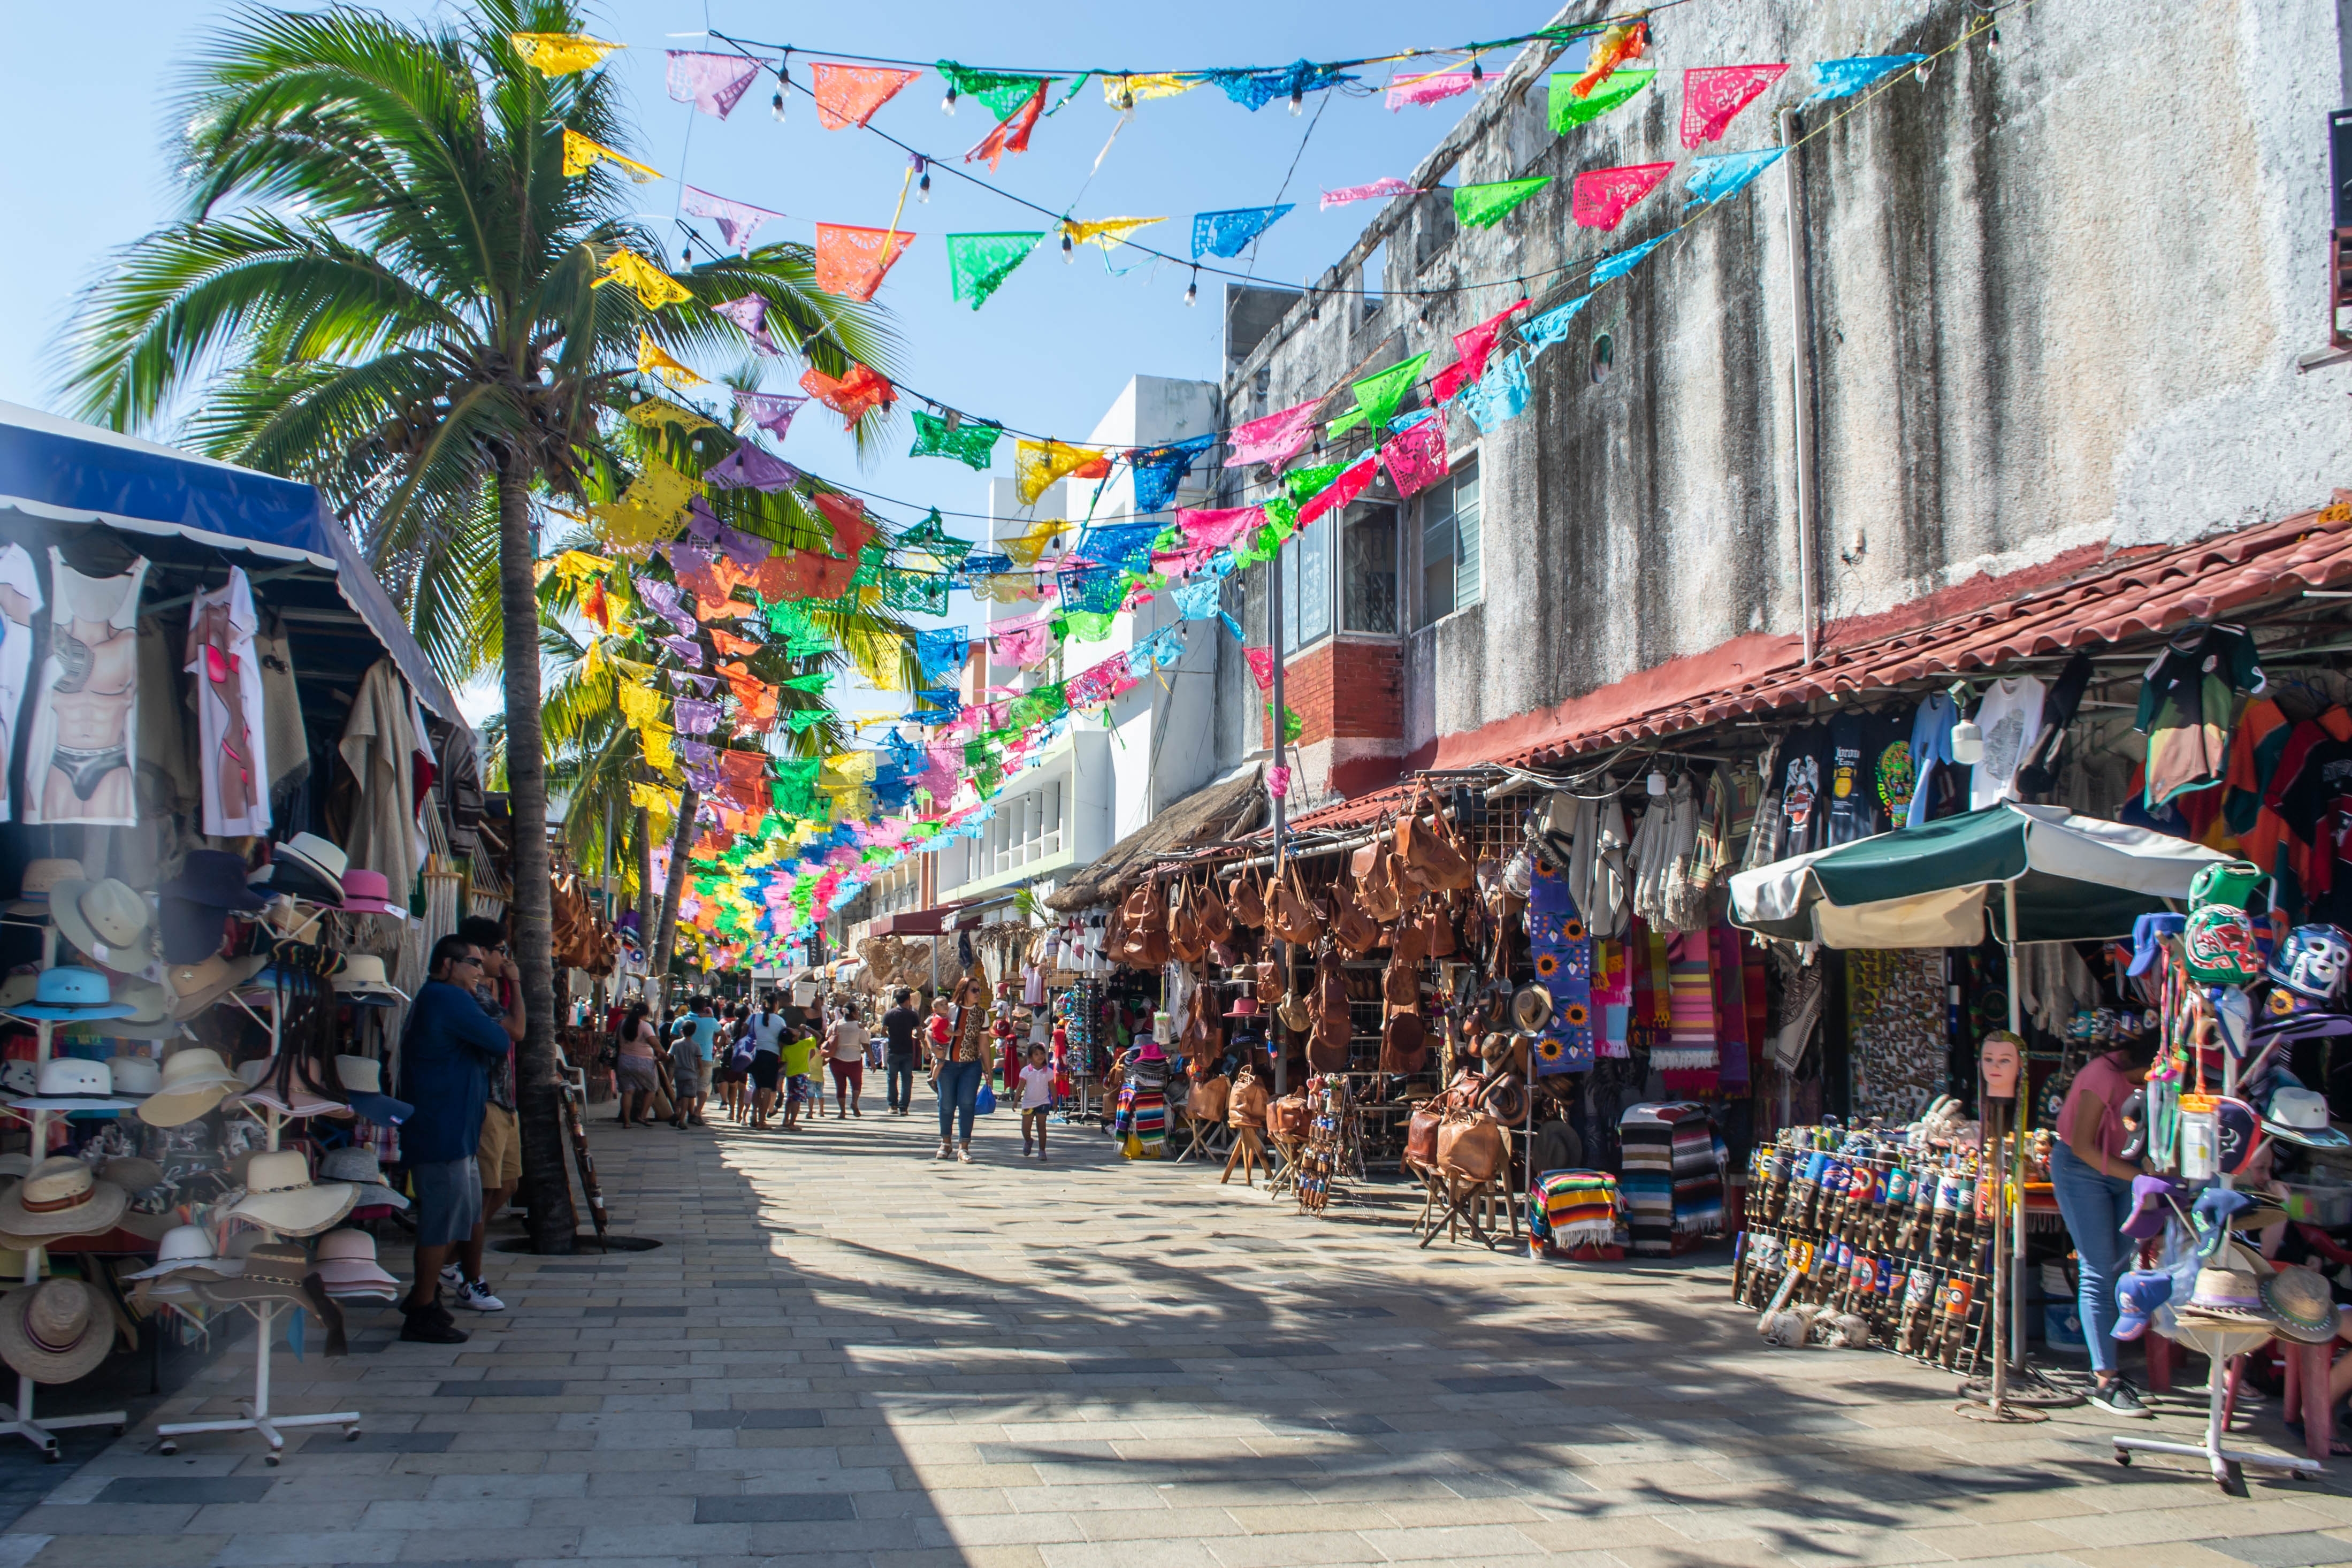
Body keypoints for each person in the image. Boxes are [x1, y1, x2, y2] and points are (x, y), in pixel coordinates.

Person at [396, 935, 520, 1343]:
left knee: (459, 1217)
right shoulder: (448, 997)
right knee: (441, 1221)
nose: (480, 971)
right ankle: (422, 1308)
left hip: (455, 1129)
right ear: (448, 964)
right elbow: (501, 1040)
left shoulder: (445, 998)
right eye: (473, 962)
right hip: (442, 1129)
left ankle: (424, 1293)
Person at [2048, 1032, 2159, 1417]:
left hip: (2125, 1171)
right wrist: (2138, 1177)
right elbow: (2082, 1146)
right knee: (2097, 1269)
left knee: (2117, 1266)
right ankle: (2105, 1379)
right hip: (2082, 1169)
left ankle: (2111, 1369)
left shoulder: (2150, 1082)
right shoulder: (2103, 1074)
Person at [447, 914, 523, 1314]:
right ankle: (462, 1269)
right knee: (481, 1194)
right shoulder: (469, 996)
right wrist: (517, 983)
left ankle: (451, 1259)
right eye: (500, 952)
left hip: (504, 1099)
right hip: (486, 1100)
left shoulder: (485, 992)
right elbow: (517, 1031)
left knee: (507, 1184)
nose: (503, 959)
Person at [930, 968, 991, 1162]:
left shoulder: (982, 1014)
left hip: (971, 1065)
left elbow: (984, 1044)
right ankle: (945, 1142)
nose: (978, 993)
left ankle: (963, 1146)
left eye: (979, 990)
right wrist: (932, 1048)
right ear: (964, 991)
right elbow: (929, 1030)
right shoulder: (948, 1009)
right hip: (948, 1064)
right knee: (946, 1104)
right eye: (974, 990)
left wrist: (989, 1070)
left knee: (967, 1104)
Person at [613, 999, 662, 1127]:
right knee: (651, 1089)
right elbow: (655, 1044)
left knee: (627, 1092)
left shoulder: (622, 1024)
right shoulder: (645, 1026)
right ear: (646, 1014)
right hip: (643, 1062)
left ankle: (627, 1121)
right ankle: (642, 1116)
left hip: (624, 1061)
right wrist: (664, 1054)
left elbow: (616, 1040)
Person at [745, 994, 789, 1129]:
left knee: (757, 1087)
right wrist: (782, 1059)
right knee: (767, 1089)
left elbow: (744, 1033)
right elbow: (782, 1042)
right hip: (771, 1057)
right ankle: (762, 1121)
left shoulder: (753, 1018)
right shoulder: (780, 1021)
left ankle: (753, 1114)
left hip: (755, 1055)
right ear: (776, 1004)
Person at [879, 988, 923, 1116]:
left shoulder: (889, 1014)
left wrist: (891, 1036)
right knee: (907, 1079)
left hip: (893, 1050)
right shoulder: (913, 1015)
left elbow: (882, 1031)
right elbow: (920, 1033)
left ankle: (893, 1106)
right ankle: (904, 1107)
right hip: (908, 1051)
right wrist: (914, 1035)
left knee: (892, 1078)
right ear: (908, 1000)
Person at [826, 1001, 869, 1118]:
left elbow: (827, 1037)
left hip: (836, 1060)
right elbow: (866, 1045)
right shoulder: (859, 1027)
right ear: (854, 1013)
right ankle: (854, 1102)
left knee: (840, 1086)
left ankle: (842, 1112)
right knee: (856, 1084)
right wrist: (872, 1061)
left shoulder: (836, 1024)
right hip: (854, 1060)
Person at [780, 1020, 819, 1132]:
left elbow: (783, 1062)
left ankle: (786, 1120)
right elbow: (819, 1037)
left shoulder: (786, 1049)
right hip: (801, 1077)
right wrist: (807, 1028)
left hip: (790, 1076)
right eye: (793, 1031)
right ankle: (792, 1123)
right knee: (796, 1100)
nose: (796, 1029)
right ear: (793, 1038)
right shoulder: (804, 1044)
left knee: (790, 1098)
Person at [1018, 1043, 1055, 1160]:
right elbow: (1020, 1086)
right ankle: (1028, 1140)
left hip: (1043, 1103)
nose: (1040, 1056)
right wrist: (1016, 1100)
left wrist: (1055, 1102)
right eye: (1036, 1054)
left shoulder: (1048, 1072)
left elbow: (1052, 1087)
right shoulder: (1026, 1071)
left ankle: (1042, 1150)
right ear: (1031, 1057)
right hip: (1028, 1103)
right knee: (1025, 1128)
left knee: (1042, 1127)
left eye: (1042, 1054)